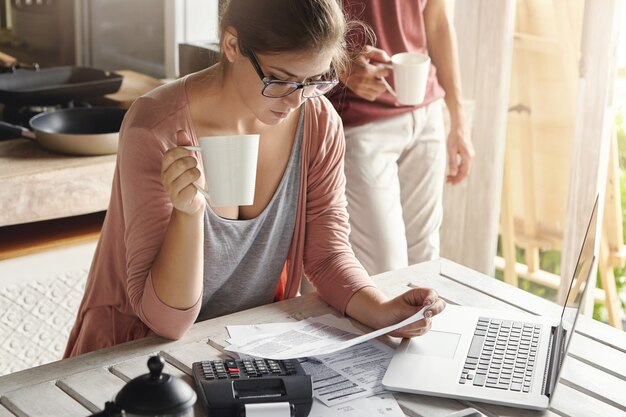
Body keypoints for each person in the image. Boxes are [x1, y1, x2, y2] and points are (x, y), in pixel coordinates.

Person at [64, 0, 446, 358]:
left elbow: (327, 256)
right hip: (130, 358)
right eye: (280, 79)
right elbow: (166, 322)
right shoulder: (157, 127)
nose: (296, 100)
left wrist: (380, 307)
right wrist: (188, 213)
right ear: (232, 45)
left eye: (315, 80)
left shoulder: (317, 121)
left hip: (244, 348)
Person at [329, 0, 475, 275]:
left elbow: (437, 19)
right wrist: (340, 64)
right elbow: (292, 14)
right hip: (360, 121)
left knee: (426, 260)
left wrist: (459, 118)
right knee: (384, 269)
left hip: (426, 113)